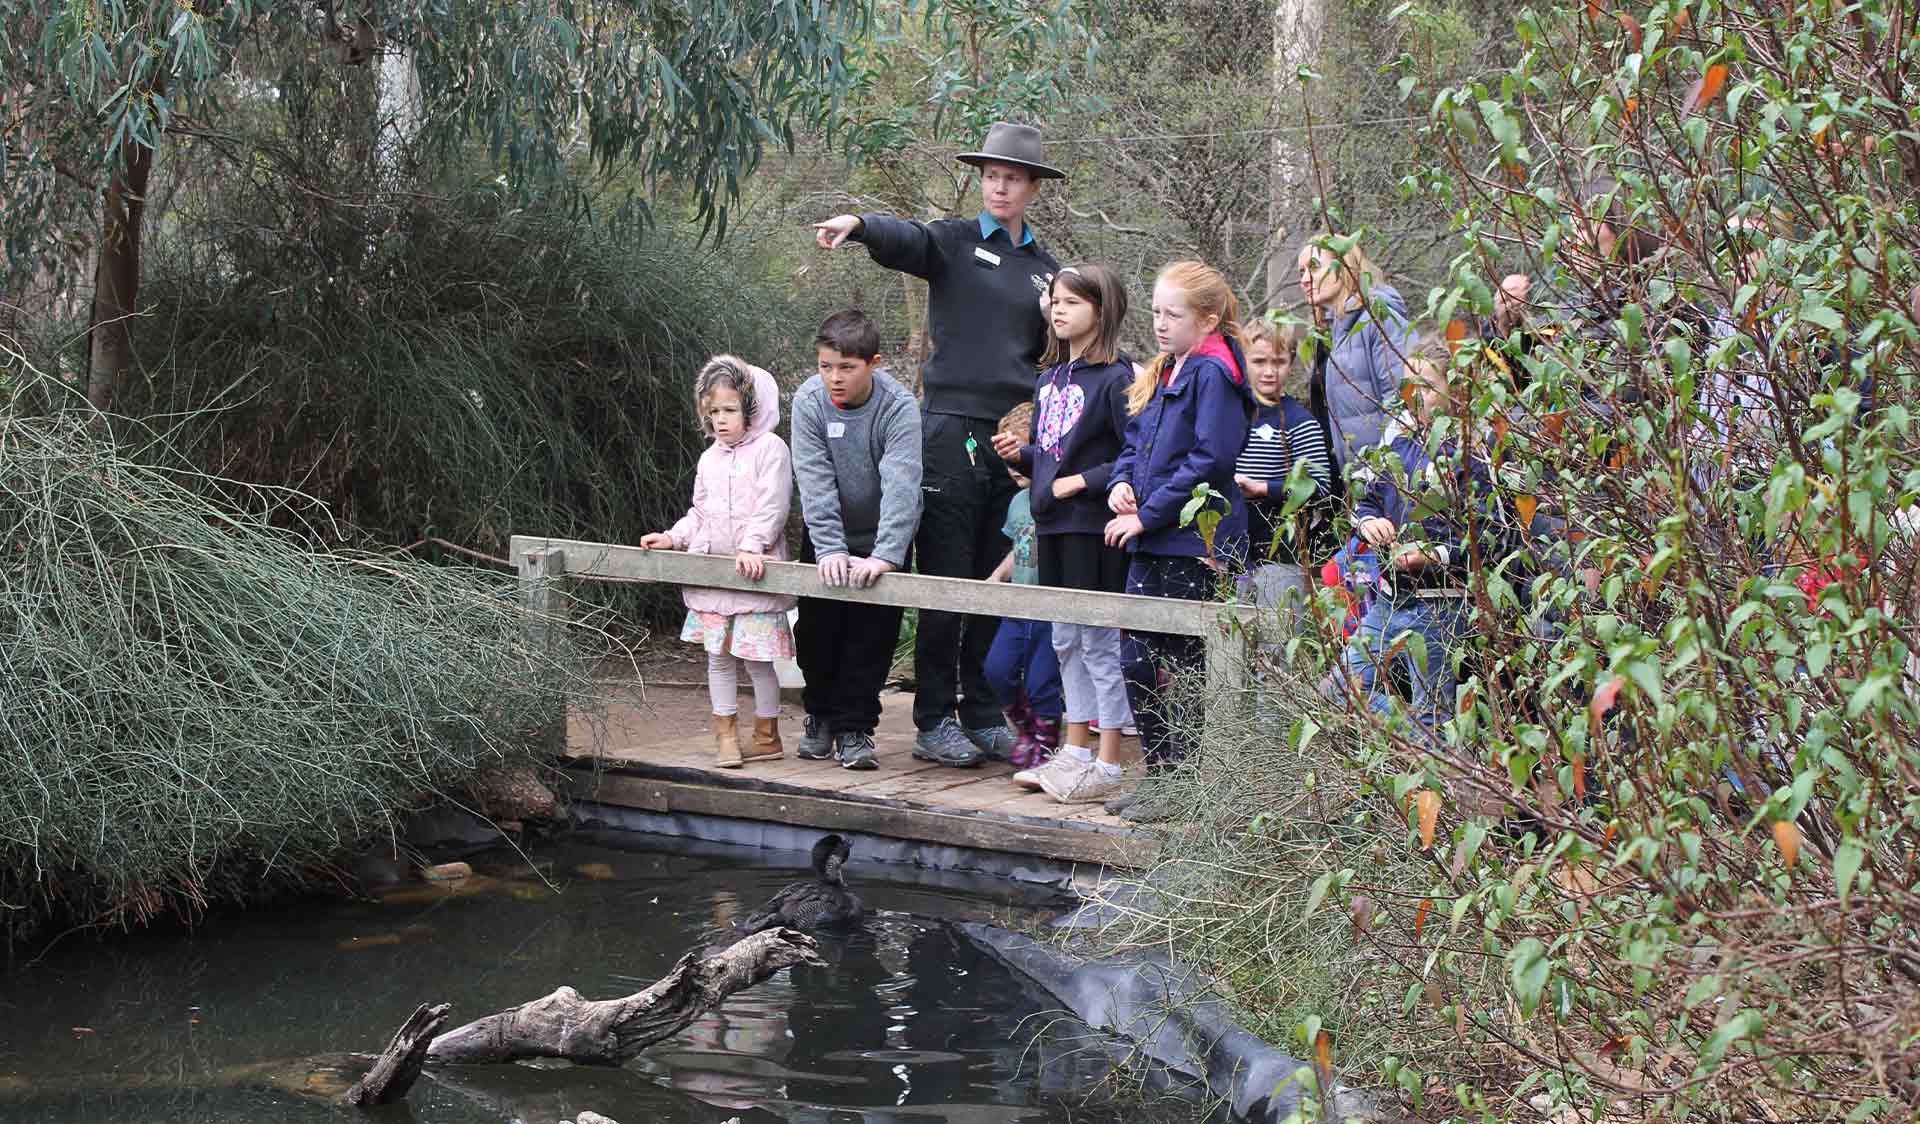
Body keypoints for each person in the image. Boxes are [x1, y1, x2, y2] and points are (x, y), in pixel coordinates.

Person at [812, 122, 1064, 769]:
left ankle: (981, 712)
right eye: (991, 175)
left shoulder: (1047, 272)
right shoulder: (954, 241)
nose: (1000, 186)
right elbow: (911, 240)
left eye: (1012, 177)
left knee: (991, 582)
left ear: (1033, 186)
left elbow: (1062, 347)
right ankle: (932, 719)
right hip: (949, 430)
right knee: (945, 579)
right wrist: (863, 225)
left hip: (1011, 437)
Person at [1064, 261, 1254, 806]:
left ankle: (1186, 782)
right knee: (1137, 660)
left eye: (1174, 314)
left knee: (1182, 664)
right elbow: (1136, 440)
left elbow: (1209, 460)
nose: (1161, 324)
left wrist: (1148, 515)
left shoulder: (1213, 372)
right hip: (1148, 536)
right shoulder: (1168, 367)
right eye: (1156, 312)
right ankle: (1164, 775)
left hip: (1195, 541)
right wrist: (1120, 485)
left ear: (1209, 319)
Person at [989, 264, 1136, 801]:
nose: (1058, 309)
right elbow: (1053, 453)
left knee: (1099, 641)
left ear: (1102, 309)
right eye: (1054, 300)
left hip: (1092, 530)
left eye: (1072, 301)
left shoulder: (1118, 378)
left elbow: (1132, 457)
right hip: (1051, 525)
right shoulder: (1048, 378)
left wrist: (1082, 481)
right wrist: (1025, 454)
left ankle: (1110, 761)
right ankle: (1074, 752)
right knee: (1064, 639)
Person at [1326, 335, 1498, 733]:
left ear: (1453, 390)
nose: (1414, 396)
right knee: (1342, 687)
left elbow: (1490, 539)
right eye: (1408, 385)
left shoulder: (1470, 451)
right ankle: (1416, 746)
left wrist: (1432, 554)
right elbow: (1366, 502)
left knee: (1433, 713)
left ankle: (1437, 772)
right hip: (1389, 600)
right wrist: (1368, 524)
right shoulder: (1399, 441)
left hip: (1442, 605)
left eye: (1426, 386)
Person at [640, 357, 797, 769]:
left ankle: (767, 734)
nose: (721, 420)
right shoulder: (710, 458)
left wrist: (753, 545)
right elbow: (701, 512)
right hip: (714, 578)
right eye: (714, 412)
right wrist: (674, 537)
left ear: (751, 407)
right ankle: (725, 734)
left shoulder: (771, 449)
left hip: (753, 573)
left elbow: (773, 505)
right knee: (718, 658)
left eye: (730, 410)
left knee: (757, 660)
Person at [789, 311, 924, 771]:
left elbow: (902, 482)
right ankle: (821, 717)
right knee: (816, 633)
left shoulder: (898, 406)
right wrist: (828, 547)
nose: (834, 378)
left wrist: (886, 554)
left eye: (846, 367)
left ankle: (855, 728)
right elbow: (814, 478)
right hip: (828, 530)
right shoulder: (809, 401)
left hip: (882, 534)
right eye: (826, 366)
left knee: (870, 637)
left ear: (874, 364)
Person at [1233, 315, 1333, 633]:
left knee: (1277, 644)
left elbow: (1320, 486)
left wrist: (1264, 488)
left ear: (1291, 364)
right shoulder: (1229, 412)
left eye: (1279, 361)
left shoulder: (1299, 421)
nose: (1269, 371)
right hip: (1232, 552)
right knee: (1231, 645)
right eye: (1259, 361)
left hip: (1280, 554)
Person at [982, 403, 1064, 770]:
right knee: (997, 670)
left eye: (1020, 453)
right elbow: (1020, 546)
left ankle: (1046, 740)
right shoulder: (1016, 502)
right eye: (1007, 454)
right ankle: (1026, 730)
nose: (1013, 465)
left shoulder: (1059, 500)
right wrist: (998, 576)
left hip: (1050, 610)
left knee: (1042, 681)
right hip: (1017, 608)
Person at [1297, 235, 1413, 475]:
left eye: (1314, 268)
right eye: (1301, 272)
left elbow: (1403, 406)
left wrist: (1378, 477)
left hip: (1389, 480)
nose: (1304, 280)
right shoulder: (1329, 334)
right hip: (1354, 482)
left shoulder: (1379, 320)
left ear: (1344, 267)